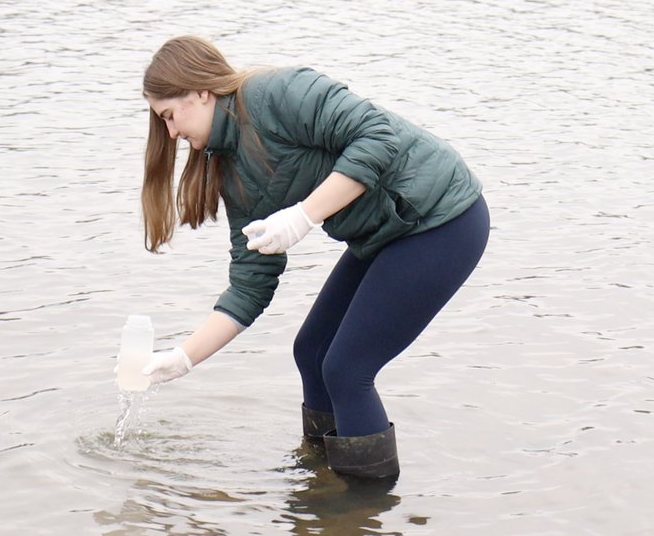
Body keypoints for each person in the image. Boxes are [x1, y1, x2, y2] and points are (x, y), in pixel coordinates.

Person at [135, 35, 489, 480]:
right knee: (312, 350)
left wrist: (305, 215)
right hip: (385, 234)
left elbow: (378, 135)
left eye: (170, 116)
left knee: (346, 369)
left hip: (442, 219)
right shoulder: (231, 171)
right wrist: (183, 358)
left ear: (201, 91)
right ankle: (322, 488)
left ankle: (366, 503)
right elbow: (251, 282)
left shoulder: (277, 93)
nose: (171, 133)